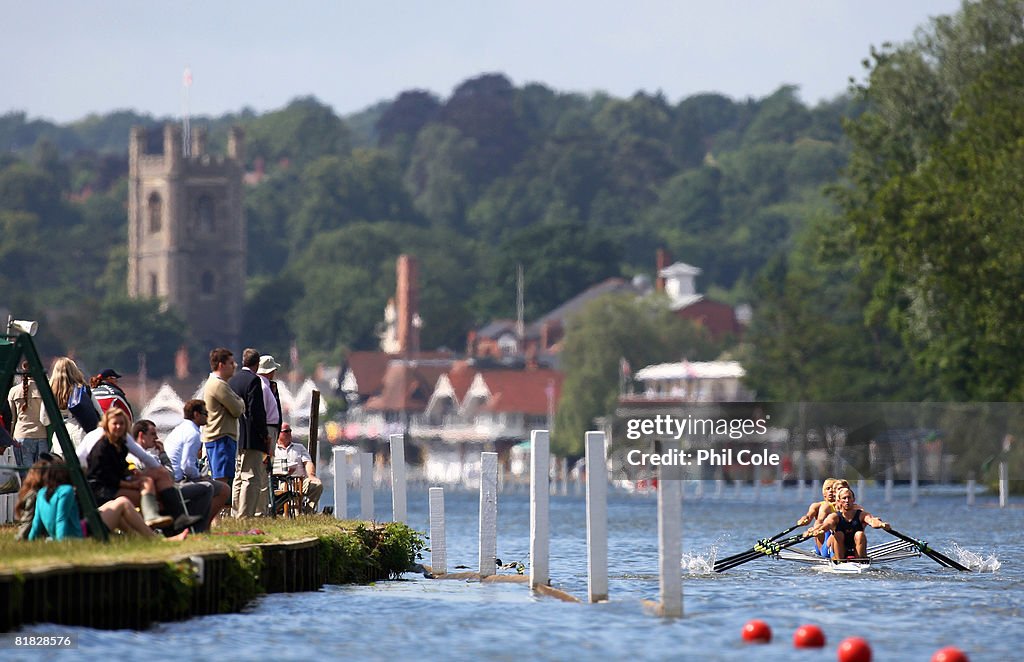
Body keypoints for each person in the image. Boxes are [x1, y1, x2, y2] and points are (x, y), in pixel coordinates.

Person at [28, 460, 188, 541]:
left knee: (114, 506)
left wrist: (29, 540)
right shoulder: (66, 491)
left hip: (77, 528)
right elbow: (61, 519)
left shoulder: (42, 493)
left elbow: (37, 523)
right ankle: (155, 540)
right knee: (122, 502)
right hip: (80, 534)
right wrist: (64, 543)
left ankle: (144, 540)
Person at [84, 408, 174, 529]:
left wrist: (131, 472)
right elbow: (106, 478)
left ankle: (151, 519)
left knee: (147, 481)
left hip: (115, 484)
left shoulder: (120, 443)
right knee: (148, 497)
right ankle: (150, 527)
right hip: (102, 490)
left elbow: (120, 466)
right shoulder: (101, 447)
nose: (118, 427)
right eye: (115, 423)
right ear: (107, 425)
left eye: (121, 423)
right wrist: (131, 485)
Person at [132, 418, 213, 532]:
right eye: (152, 434)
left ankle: (191, 527)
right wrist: (163, 455)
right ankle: (195, 529)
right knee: (206, 488)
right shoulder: (141, 457)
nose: (156, 438)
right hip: (162, 493)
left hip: (163, 491)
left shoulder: (146, 454)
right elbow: (169, 476)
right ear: (141, 436)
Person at [162, 401, 231, 531]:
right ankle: (202, 527)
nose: (207, 416)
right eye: (205, 413)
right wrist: (199, 477)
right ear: (196, 414)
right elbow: (187, 465)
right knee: (224, 490)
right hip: (178, 480)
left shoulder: (181, 428)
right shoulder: (193, 433)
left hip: (170, 477)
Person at [228, 348, 269, 517]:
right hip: (251, 437)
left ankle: (235, 512)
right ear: (257, 364)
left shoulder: (232, 381)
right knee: (251, 478)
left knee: (238, 477)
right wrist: (264, 434)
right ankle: (245, 516)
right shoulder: (253, 381)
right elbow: (256, 412)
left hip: (236, 435)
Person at [202, 348, 245, 487]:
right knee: (222, 480)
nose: (235, 366)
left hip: (221, 438)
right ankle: (217, 509)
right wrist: (240, 402)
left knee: (223, 479)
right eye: (231, 363)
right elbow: (238, 409)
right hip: (221, 438)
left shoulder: (219, 384)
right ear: (221, 365)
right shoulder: (218, 385)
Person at [810, 486, 890, 559]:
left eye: (849, 498)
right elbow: (826, 525)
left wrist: (881, 524)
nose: (847, 501)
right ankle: (839, 560)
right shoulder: (834, 517)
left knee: (860, 534)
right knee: (838, 534)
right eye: (844, 498)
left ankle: (861, 560)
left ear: (853, 499)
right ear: (839, 501)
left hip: (856, 547)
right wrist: (818, 530)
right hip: (840, 549)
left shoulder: (861, 515)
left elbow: (872, 521)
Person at [49, 357, 101, 448]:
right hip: (81, 432)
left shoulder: (49, 392)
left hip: (60, 434)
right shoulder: (83, 390)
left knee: (62, 461)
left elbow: (44, 420)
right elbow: (100, 412)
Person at [6, 360, 49, 469]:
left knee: (26, 477)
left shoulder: (14, 391)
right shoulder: (44, 390)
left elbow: (12, 419)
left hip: (21, 435)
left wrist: (9, 438)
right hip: (41, 435)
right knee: (42, 475)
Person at [274, 423, 323, 513]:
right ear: (278, 433)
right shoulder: (273, 449)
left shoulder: (299, 448)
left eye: (290, 431)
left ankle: (308, 512)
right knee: (283, 487)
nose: (289, 433)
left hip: (300, 480)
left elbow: (308, 462)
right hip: (281, 481)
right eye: (286, 431)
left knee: (317, 485)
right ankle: (284, 511)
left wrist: (311, 476)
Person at [14, 454, 54, 540]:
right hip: (35, 535)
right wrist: (22, 536)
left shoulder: (30, 492)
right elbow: (29, 520)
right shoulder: (34, 495)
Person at [797, 478, 837, 556]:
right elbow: (809, 517)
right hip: (823, 542)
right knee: (821, 527)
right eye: (828, 488)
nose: (831, 491)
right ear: (823, 492)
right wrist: (803, 519)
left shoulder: (845, 507)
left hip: (837, 540)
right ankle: (825, 554)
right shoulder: (817, 506)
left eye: (834, 488)